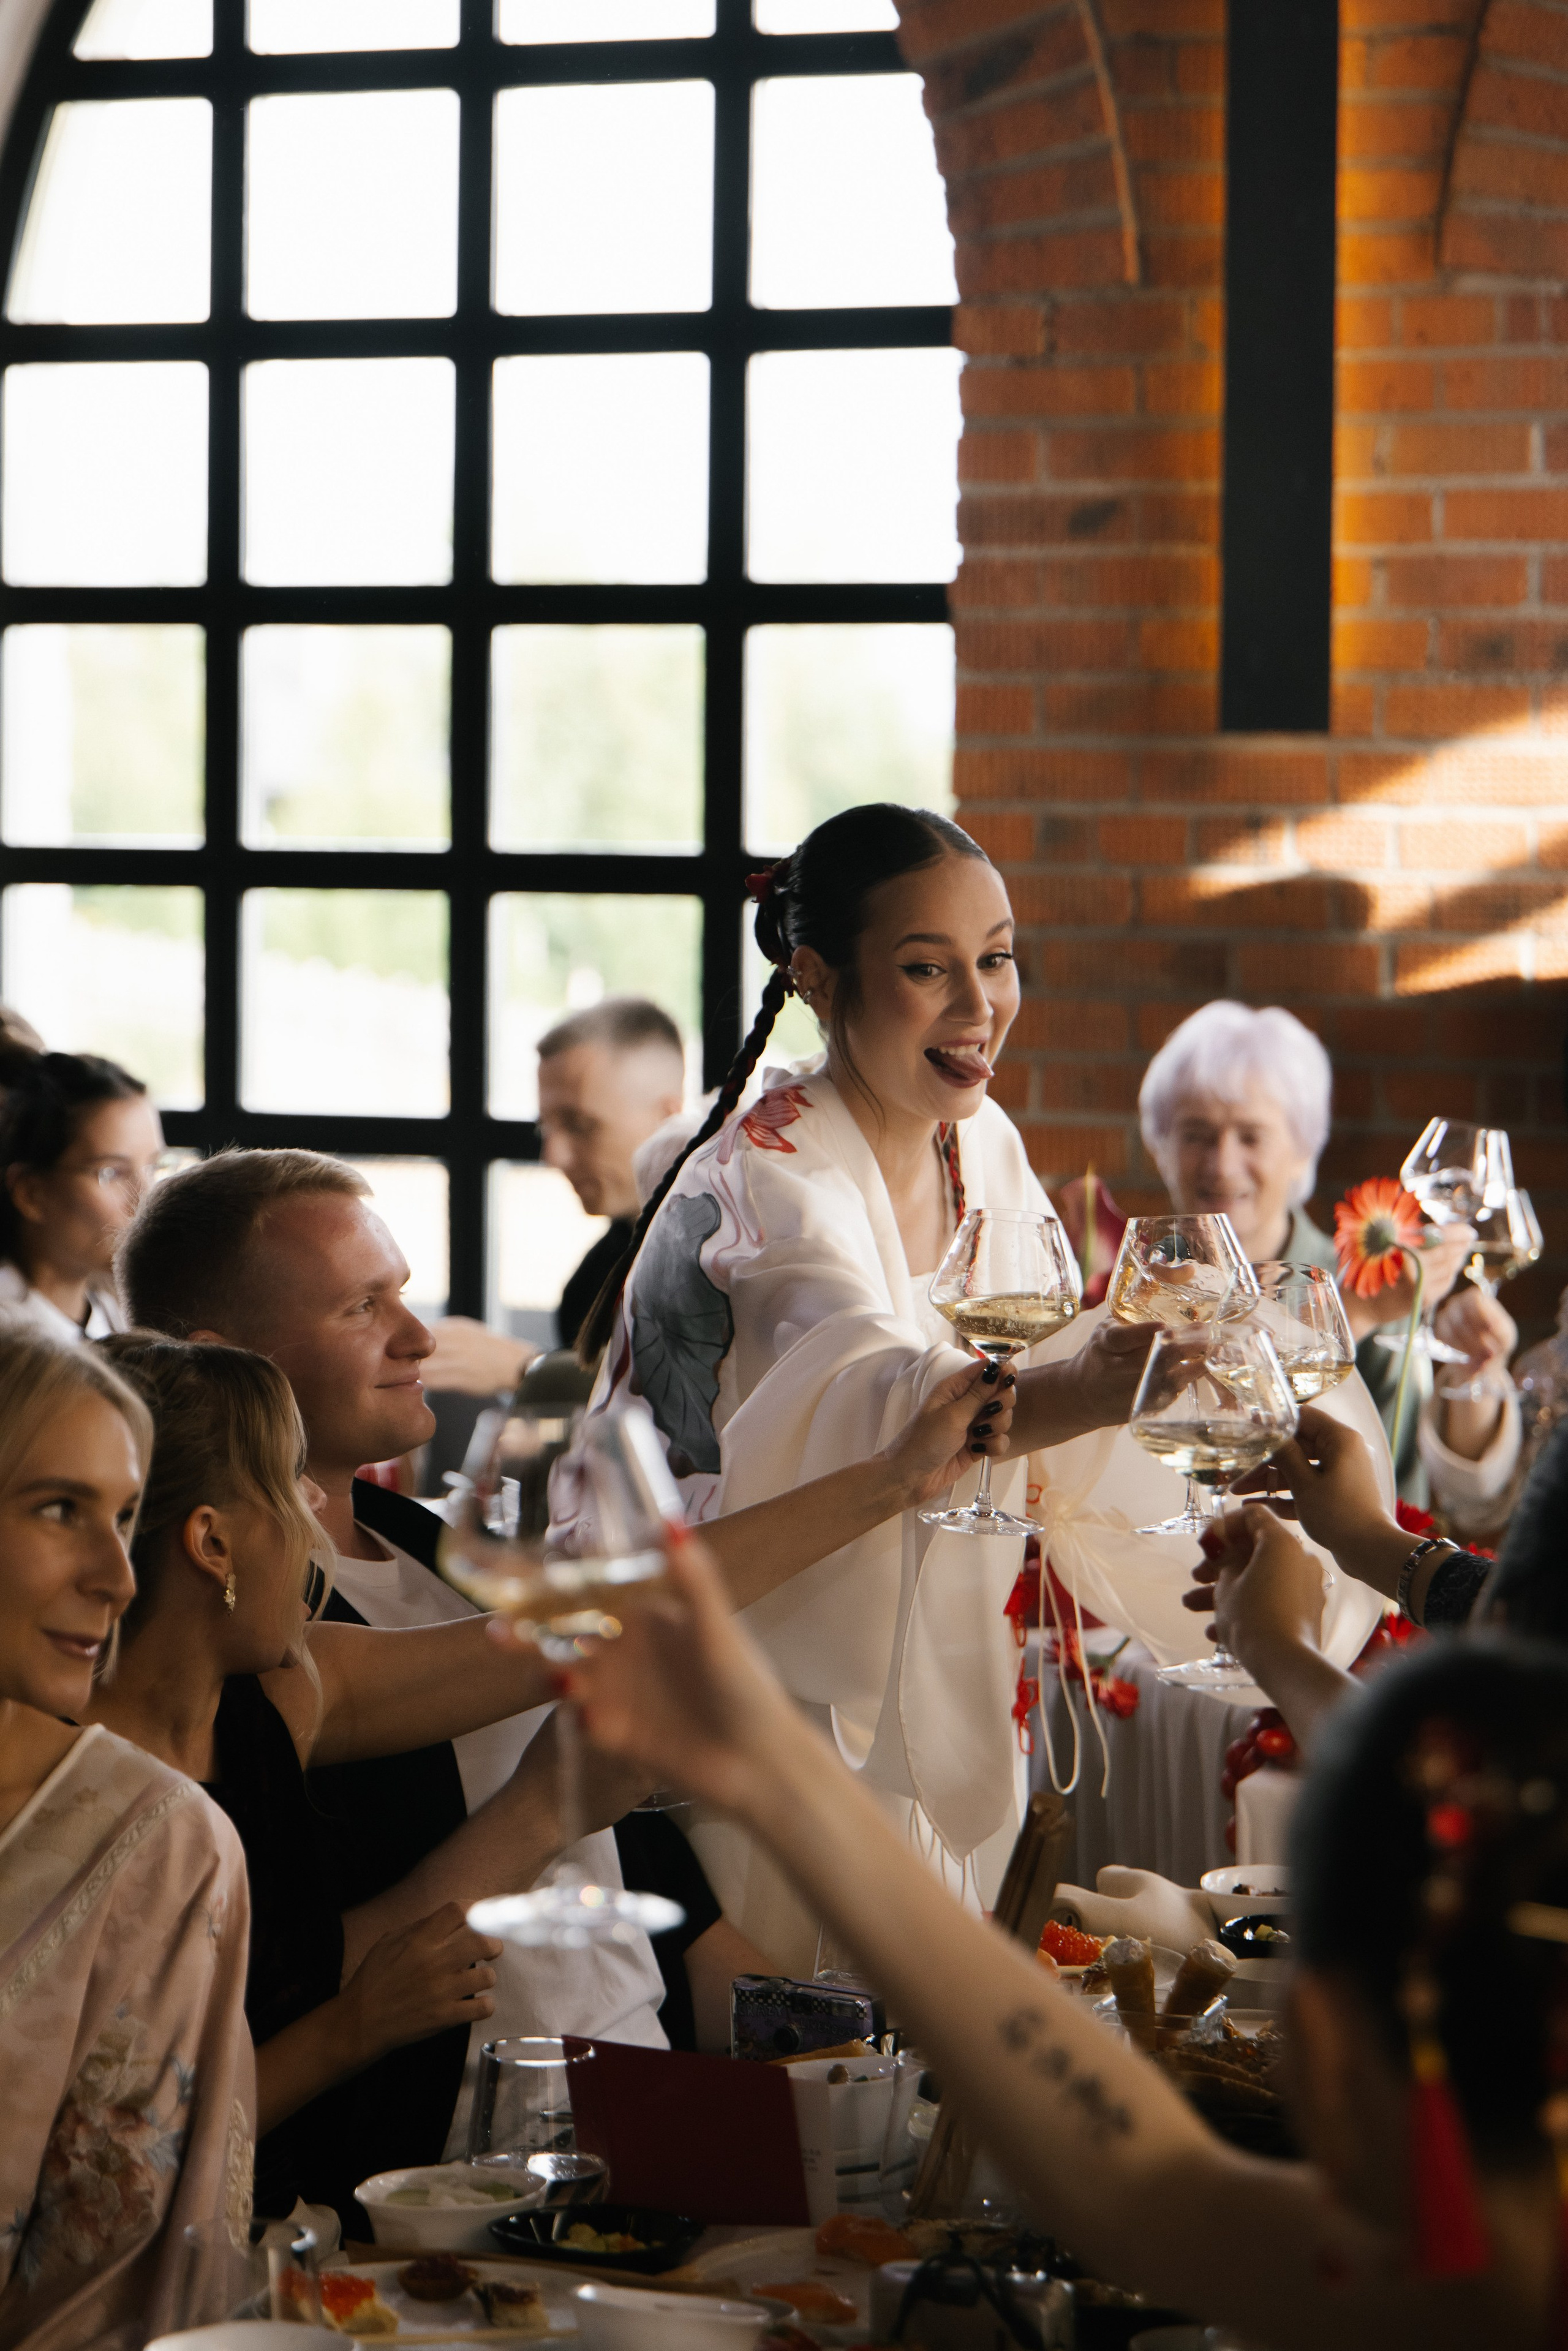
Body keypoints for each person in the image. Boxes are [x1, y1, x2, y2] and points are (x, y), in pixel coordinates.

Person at [116, 1147, 1012, 2166]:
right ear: (217, 1355)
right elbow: (285, 1990)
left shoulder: (425, 1543)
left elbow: (635, 1854)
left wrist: (875, 2043)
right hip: (445, 2160)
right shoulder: (240, 1641)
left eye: (401, 1292)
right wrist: (886, 1481)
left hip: (637, 2105)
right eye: (363, 1307)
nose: (418, 1334)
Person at [570, 1535, 1568, 2350]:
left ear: (1323, 2049)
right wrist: (1279, 1646)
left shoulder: (1416, 2282)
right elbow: (1145, 2171)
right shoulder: (1480, 2275)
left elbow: (1147, 2180)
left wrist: (775, 1766)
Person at [568, 803, 1156, 1967]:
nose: (980, 1004)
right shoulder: (766, 1169)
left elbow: (1018, 1369)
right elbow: (879, 1397)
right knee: (806, 2066)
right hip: (732, 1673)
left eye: (996, 957)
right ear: (819, 978)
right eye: (927, 968)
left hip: (934, 1648)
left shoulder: (980, 1142)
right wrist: (1089, 1387)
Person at [85, 1331, 598, 2222]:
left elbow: (613, 1611)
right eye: (290, 1479)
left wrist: (883, 1481)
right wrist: (356, 2024)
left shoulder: (257, 1708)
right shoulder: (92, 1798)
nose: (318, 1502)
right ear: (211, 1543)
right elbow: (118, 2136)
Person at [0, 1323, 254, 2351]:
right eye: (62, 1508)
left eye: (126, 1516)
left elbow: (119, 2307)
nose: (119, 1574)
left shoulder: (153, 1847)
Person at [1138, 999, 1517, 1505]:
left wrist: (1474, 1376)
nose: (1222, 1164)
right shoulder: (1138, 1284)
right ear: (1160, 1146)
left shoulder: (1372, 1283)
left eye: (1251, 1137)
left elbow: (1426, 1490)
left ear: (1301, 1151)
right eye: (1197, 1135)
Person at [423, 997, 688, 1395]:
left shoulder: (730, 1254)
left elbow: (697, 1410)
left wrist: (530, 1371)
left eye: (581, 1125)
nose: (553, 1156)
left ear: (667, 1116)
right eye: (545, 1127)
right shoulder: (592, 1280)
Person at [0, 1046, 164, 1343]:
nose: (146, 1198)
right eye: (112, 1173)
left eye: (153, 1166)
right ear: (31, 1193)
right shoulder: (12, 1338)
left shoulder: (120, 1309)